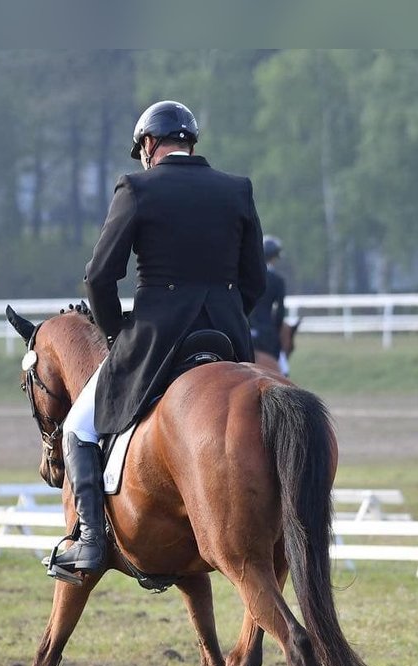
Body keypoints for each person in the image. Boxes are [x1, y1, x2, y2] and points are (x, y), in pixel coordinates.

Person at [48, 99, 266, 583]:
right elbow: (255, 281)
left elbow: (99, 278)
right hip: (226, 337)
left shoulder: (137, 187)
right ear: (189, 142)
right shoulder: (236, 189)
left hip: (156, 341)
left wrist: (117, 335)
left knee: (77, 428)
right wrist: (228, 317)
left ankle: (89, 538)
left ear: (148, 145)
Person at [248, 236, 287, 374]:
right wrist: (276, 331)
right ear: (274, 257)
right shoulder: (278, 280)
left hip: (246, 329)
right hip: (266, 332)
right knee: (282, 371)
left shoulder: (247, 275)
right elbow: (281, 311)